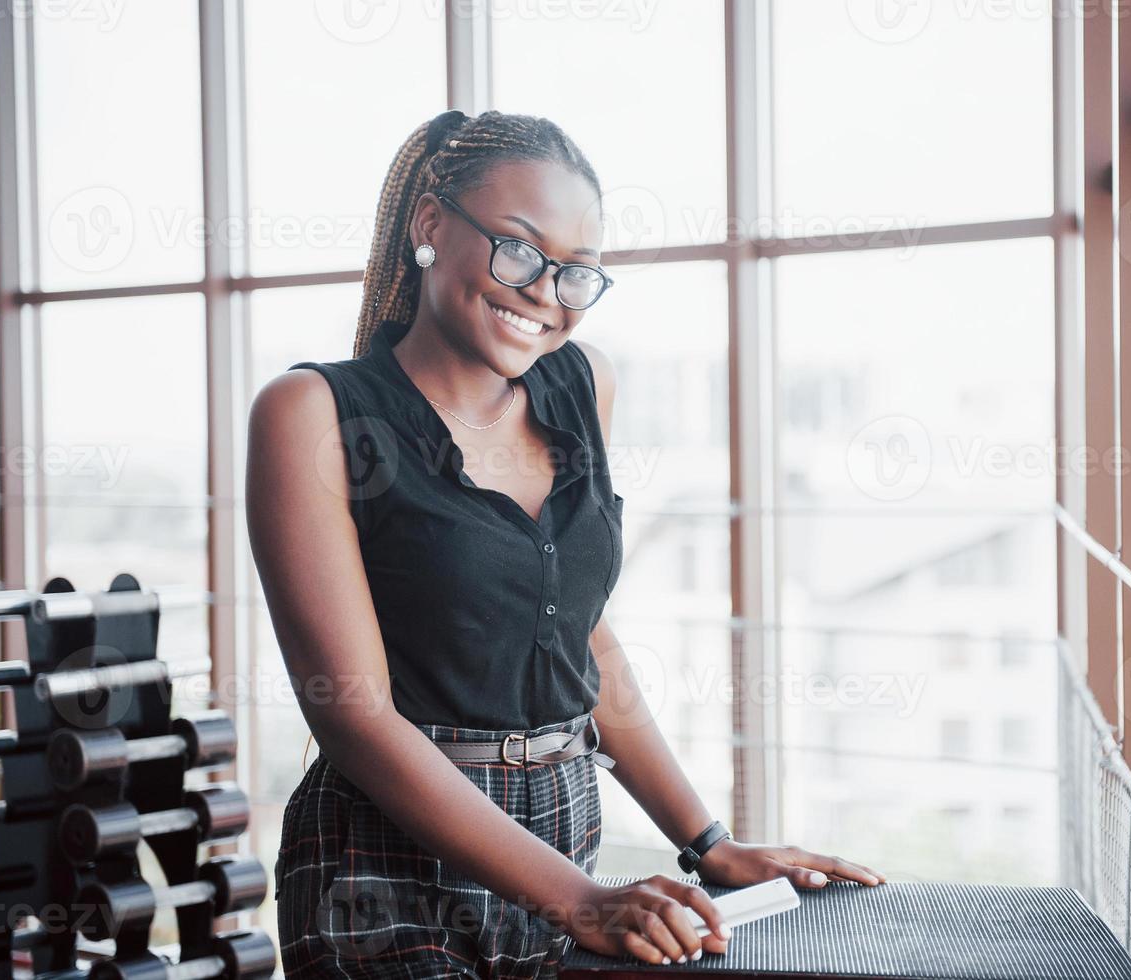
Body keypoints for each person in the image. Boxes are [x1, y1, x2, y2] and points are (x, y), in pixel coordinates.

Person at [245, 108, 885, 978]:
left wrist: (706, 842)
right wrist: (577, 899)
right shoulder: (310, 412)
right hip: (380, 866)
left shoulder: (583, 385)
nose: (545, 292)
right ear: (429, 225)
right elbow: (351, 715)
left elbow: (577, 636)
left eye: (578, 273)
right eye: (518, 249)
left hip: (561, 830)